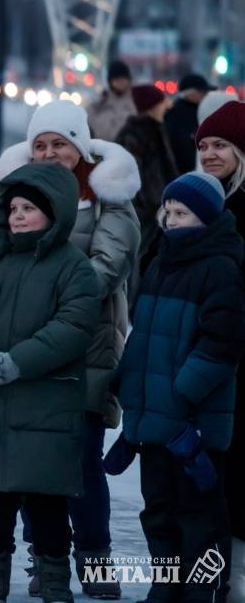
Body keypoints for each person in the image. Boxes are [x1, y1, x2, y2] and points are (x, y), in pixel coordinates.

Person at [0, 100, 141, 599]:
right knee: (28, 462)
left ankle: (95, 558)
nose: (48, 153)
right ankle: (44, 561)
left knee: (81, 462)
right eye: (39, 144)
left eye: (59, 144)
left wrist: (43, 294)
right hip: (18, 350)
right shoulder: (16, 195)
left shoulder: (109, 198)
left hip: (83, 351)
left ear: (80, 147)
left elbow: (108, 266)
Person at [0, 162, 101, 603]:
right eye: (12, 207)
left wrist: (19, 362)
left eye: (28, 208)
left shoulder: (74, 269)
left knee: (47, 509)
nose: (17, 215)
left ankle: (55, 584)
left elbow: (73, 327)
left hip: (44, 412)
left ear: (55, 212)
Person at [107, 171, 243, 603]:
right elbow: (143, 335)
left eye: (181, 212)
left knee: (199, 514)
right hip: (155, 423)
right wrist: (127, 382)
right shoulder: (161, 261)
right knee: (158, 510)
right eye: (167, 211)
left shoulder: (219, 268)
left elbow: (221, 343)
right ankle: (166, 583)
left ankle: (203, 590)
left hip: (192, 423)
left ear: (205, 218)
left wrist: (179, 392)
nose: (170, 220)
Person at [194, 100, 245, 601]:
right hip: (202, 360)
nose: (210, 153)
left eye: (221, 146)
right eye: (204, 145)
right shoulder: (195, 203)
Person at [116, 83, 178, 306]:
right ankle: (131, 304)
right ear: (151, 106)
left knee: (148, 258)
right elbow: (129, 175)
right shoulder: (135, 133)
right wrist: (146, 204)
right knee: (136, 259)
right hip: (144, 212)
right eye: (161, 103)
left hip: (158, 209)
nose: (165, 107)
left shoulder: (156, 128)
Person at [164, 74, 214, 173]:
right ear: (190, 93)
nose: (206, 95)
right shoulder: (174, 113)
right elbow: (179, 145)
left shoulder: (201, 109)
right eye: (202, 92)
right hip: (182, 172)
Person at [87, 60, 136, 140]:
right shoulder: (98, 106)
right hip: (103, 150)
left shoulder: (137, 102)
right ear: (110, 81)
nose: (121, 82)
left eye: (123, 79)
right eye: (117, 79)